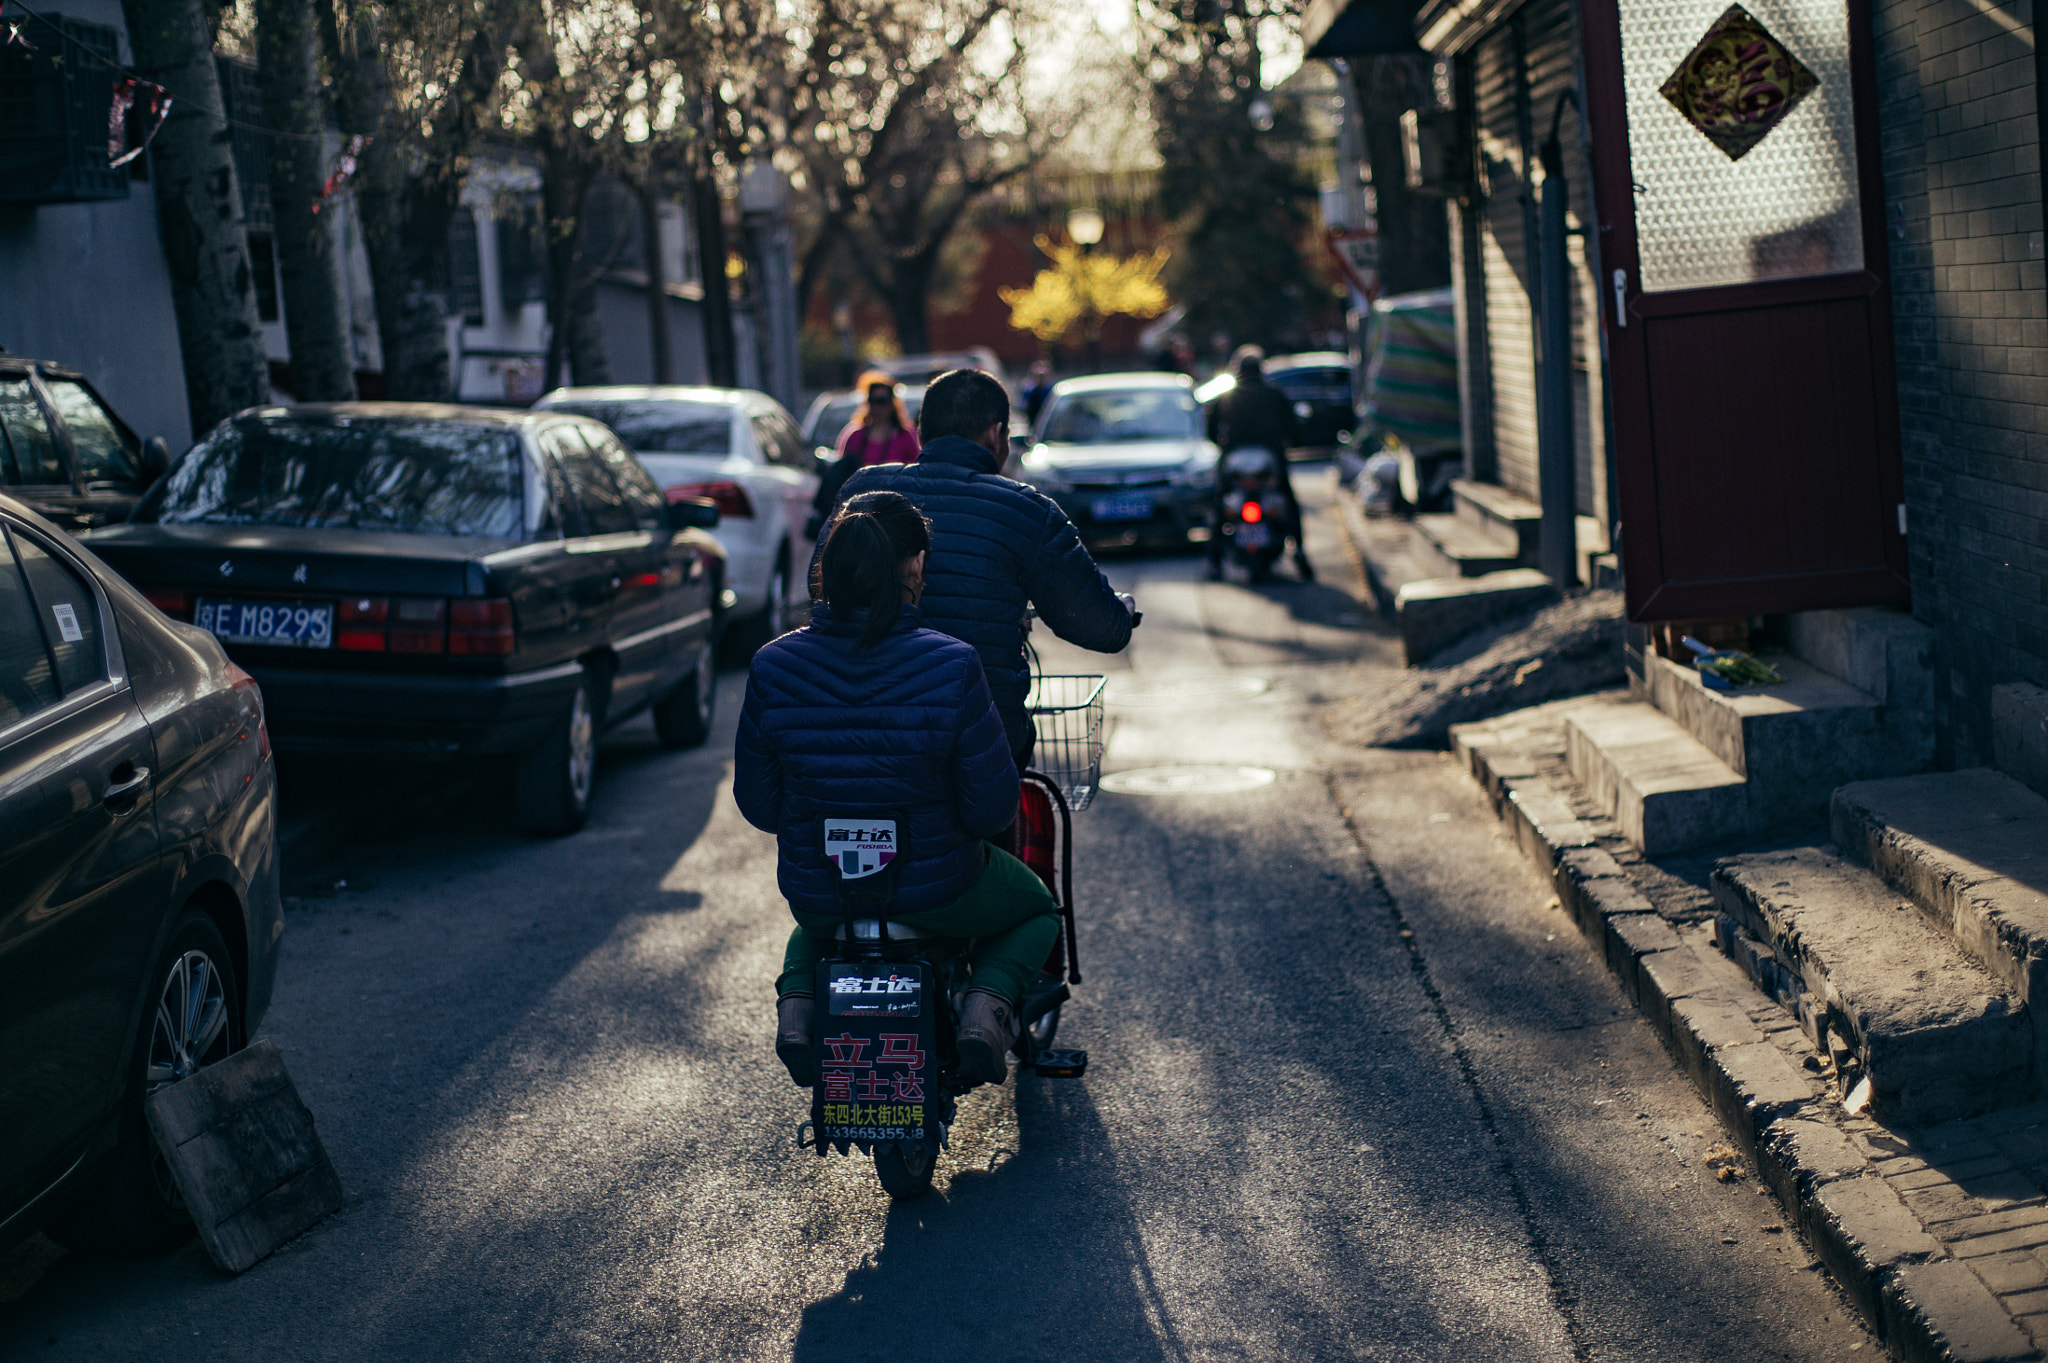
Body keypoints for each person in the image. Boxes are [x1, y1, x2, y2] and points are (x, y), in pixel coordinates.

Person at [735, 491, 1062, 1087]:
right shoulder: (954, 664)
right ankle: (984, 1014)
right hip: (941, 890)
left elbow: (758, 805)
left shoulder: (772, 666)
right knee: (1038, 909)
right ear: (910, 571)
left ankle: (798, 1017)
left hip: (822, 890)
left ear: (824, 575)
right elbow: (991, 809)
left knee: (811, 929)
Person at [822, 367, 1133, 766]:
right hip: (980, 733)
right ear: (995, 434)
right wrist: (1121, 614)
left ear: (920, 433)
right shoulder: (1029, 511)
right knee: (996, 803)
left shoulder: (860, 491)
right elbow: (1101, 628)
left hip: (858, 721)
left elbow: (821, 590)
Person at [1205, 345, 1313, 582]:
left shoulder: (1227, 396)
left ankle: (1214, 560)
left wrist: (1226, 445)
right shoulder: (1275, 394)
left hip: (1234, 460)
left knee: (1219, 504)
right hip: (1270, 459)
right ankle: (1300, 553)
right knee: (1289, 502)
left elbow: (1212, 431)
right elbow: (1293, 429)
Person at [807, 372, 920, 539]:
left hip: (894, 513)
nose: (876, 407)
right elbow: (842, 476)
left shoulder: (905, 436)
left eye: (881, 401)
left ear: (892, 404)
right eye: (871, 401)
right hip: (858, 516)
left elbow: (916, 473)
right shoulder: (855, 436)